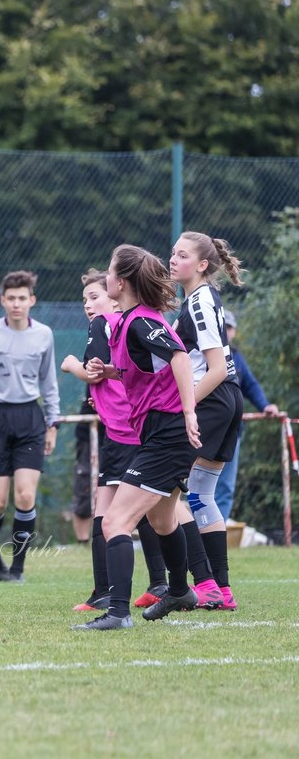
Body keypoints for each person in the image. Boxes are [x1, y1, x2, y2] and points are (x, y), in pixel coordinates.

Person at [61, 270, 166, 612]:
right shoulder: (131, 324)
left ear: (113, 294)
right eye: (84, 301)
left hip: (125, 431)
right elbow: (109, 374)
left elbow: (93, 370)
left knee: (116, 510)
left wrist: (71, 364)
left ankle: (116, 591)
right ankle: (164, 583)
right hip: (129, 427)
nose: (89, 306)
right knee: (144, 509)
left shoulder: (106, 322)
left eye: (95, 296)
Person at [167, 231, 246, 611]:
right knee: (199, 494)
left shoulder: (198, 303)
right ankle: (222, 590)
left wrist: (184, 407)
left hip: (213, 399)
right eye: (172, 253)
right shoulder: (198, 300)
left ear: (201, 265)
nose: (172, 260)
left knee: (165, 490)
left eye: (182, 255)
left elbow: (214, 369)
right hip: (227, 399)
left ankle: (204, 582)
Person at [0, 270, 60, 583]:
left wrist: (52, 424)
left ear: (31, 301)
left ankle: (18, 568)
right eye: (11, 298)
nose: (16, 304)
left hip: (30, 420)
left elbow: (49, 383)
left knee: (24, 497)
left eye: (22, 298)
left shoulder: (44, 334)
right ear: (2, 301)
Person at [216, 310, 281, 520]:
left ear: (233, 331)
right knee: (198, 485)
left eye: (229, 328)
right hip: (206, 429)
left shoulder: (237, 358)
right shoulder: (202, 352)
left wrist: (265, 405)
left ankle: (216, 534)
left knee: (225, 487)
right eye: (223, 326)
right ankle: (197, 535)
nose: (226, 331)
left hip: (232, 431)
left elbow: (251, 386)